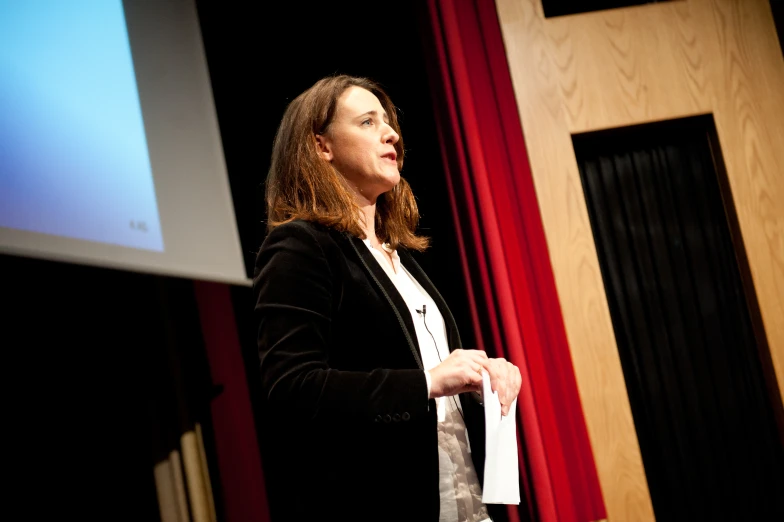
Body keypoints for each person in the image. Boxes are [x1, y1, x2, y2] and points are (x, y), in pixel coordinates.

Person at [253, 74, 522, 522]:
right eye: (367, 121)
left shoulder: (400, 257)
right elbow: (292, 387)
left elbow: (432, 375)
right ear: (322, 146)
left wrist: (481, 377)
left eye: (389, 122)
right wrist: (428, 382)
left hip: (465, 503)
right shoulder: (301, 247)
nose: (391, 133)